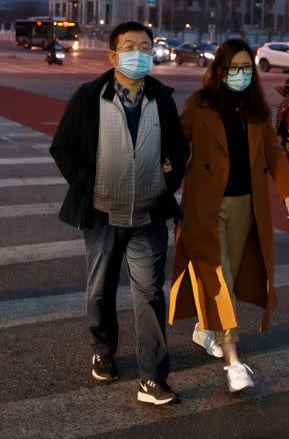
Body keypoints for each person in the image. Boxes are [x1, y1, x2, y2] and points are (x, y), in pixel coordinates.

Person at [50, 21, 188, 405]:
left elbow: (179, 151)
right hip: (101, 215)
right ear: (113, 55)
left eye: (146, 47)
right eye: (130, 47)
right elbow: (61, 149)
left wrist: (169, 180)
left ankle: (153, 378)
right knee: (100, 292)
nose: (139, 54)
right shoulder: (88, 97)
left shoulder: (162, 98)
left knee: (149, 294)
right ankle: (104, 350)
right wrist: (87, 184)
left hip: (148, 216)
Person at [169, 39, 289, 393]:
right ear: (219, 70)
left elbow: (273, 151)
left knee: (231, 272)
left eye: (246, 68)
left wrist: (286, 190)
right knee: (221, 276)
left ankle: (204, 327)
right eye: (233, 68)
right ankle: (233, 360)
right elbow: (176, 145)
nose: (240, 75)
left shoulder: (257, 108)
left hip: (246, 205)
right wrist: (165, 171)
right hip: (206, 206)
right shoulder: (199, 104)